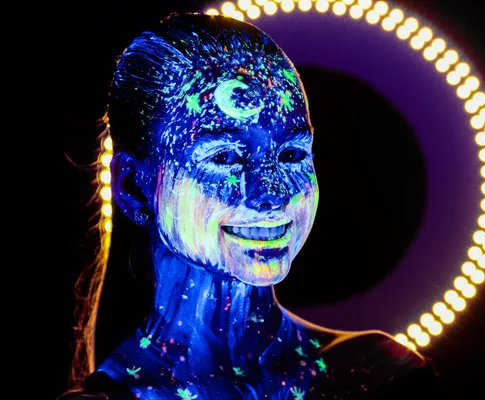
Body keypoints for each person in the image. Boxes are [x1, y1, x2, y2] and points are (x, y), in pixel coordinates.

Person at [59, 12, 440, 399]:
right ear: (133, 187)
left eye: (292, 154)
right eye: (225, 158)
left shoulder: (380, 374)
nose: (271, 194)